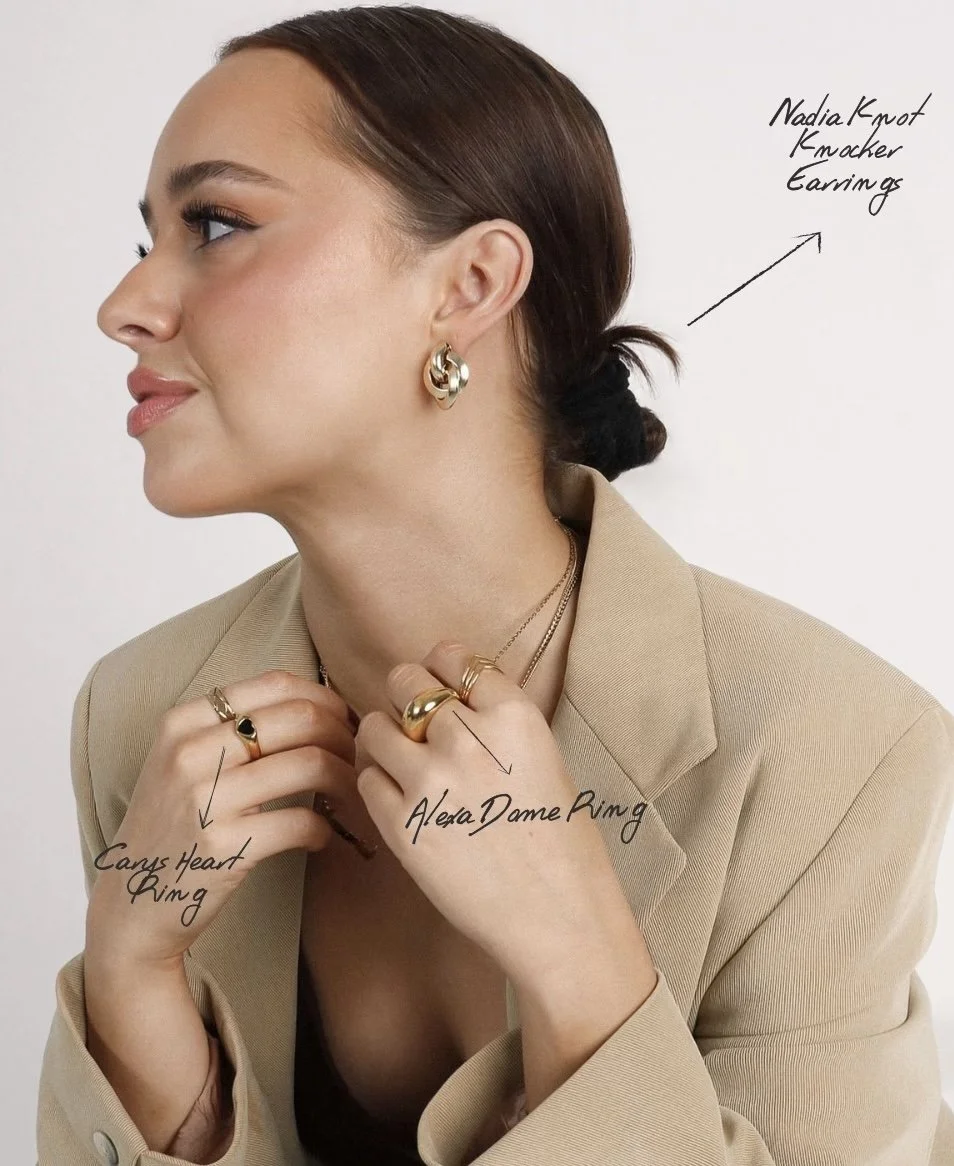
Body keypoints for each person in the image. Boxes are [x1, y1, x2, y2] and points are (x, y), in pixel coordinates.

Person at [35, 7, 954, 1166]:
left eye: (215, 223)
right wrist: (128, 973)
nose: (126, 304)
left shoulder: (831, 749)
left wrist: (585, 967)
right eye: (146, 236)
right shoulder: (144, 713)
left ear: (471, 281)